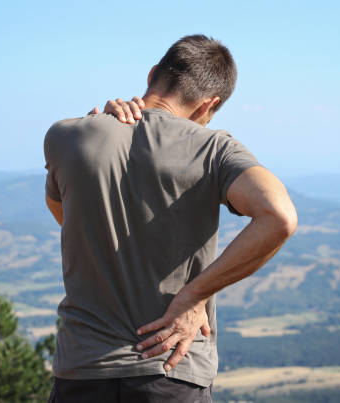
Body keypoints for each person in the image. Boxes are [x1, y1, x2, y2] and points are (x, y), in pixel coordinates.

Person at [44, 34, 297, 402]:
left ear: (151, 75)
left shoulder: (65, 136)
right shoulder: (213, 148)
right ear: (209, 104)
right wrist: (194, 295)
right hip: (170, 368)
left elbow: (68, 219)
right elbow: (279, 217)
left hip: (81, 370)